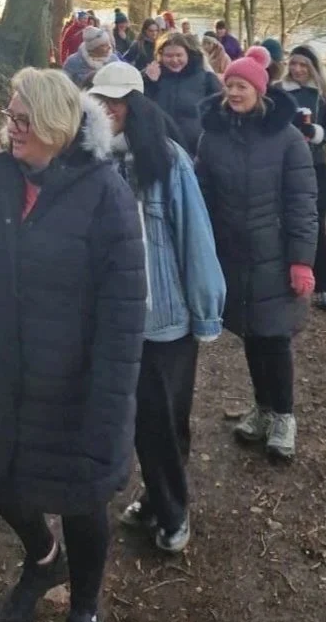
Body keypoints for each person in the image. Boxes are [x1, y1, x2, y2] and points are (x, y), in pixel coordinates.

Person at [0, 69, 145, 622]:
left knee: (82, 500)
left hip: (75, 383)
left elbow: (124, 313)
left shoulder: (106, 194)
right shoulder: (1, 179)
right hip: (4, 368)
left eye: (22, 120)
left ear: (57, 124)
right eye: (9, 116)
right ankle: (42, 557)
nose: (10, 127)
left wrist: (108, 408)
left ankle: (84, 618)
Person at [90, 64, 225, 556]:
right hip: (113, 320)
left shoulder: (169, 162)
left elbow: (196, 238)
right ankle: (159, 497)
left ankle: (172, 510)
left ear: (136, 105)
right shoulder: (91, 162)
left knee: (164, 420)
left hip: (166, 322)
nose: (107, 109)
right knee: (134, 418)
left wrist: (206, 312)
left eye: (117, 101)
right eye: (100, 100)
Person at [195, 47, 318, 462]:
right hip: (233, 255)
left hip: (276, 254)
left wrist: (302, 260)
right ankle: (262, 408)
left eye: (241, 85)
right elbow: (203, 197)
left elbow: (303, 203)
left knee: (275, 337)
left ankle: (284, 416)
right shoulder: (212, 137)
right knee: (250, 332)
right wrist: (202, 249)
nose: (233, 91)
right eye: (228, 84)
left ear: (259, 90)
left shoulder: (285, 139)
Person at [281, 45, 326, 311]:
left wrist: (318, 133)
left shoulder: (322, 95)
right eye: (294, 64)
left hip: (315, 165)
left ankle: (323, 284)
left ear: (312, 68)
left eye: (303, 65)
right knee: (283, 218)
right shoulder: (280, 90)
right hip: (284, 164)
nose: (297, 69)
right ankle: (288, 275)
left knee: (315, 223)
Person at [143, 33, 222, 156]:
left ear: (188, 55)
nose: (174, 60)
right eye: (169, 56)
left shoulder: (206, 79)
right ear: (160, 56)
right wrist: (149, 82)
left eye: (179, 55)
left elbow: (220, 112)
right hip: (161, 149)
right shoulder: (150, 77)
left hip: (196, 151)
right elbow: (143, 110)